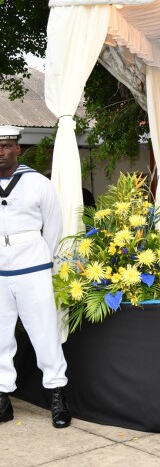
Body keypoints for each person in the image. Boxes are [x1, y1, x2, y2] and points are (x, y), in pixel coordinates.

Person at [0, 126, 71, 428]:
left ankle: (57, 395)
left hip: (33, 267)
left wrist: (45, 263)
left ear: (17, 148)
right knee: (0, 335)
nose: (0, 152)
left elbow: (53, 228)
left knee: (44, 331)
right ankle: (3, 399)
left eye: (5, 145)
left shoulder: (38, 183)